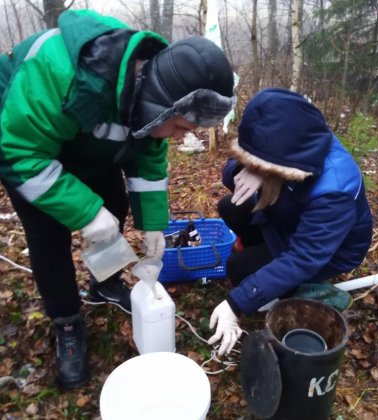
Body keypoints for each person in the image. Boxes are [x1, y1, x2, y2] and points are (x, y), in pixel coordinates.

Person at [0, 9, 235, 389]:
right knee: (49, 235)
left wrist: (154, 226)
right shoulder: (58, 71)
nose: (179, 137)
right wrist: (85, 211)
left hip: (90, 144)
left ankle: (103, 282)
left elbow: (150, 158)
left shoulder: (148, 106)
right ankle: (67, 323)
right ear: (157, 102)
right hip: (25, 147)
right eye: (178, 127)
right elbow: (20, 155)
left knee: (114, 205)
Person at [208, 88, 373, 356]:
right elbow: (233, 176)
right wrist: (247, 168)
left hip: (330, 250)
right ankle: (266, 260)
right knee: (231, 206)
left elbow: (304, 257)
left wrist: (236, 303)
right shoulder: (289, 139)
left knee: (238, 268)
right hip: (290, 219)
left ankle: (288, 282)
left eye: (262, 163)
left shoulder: (335, 188)